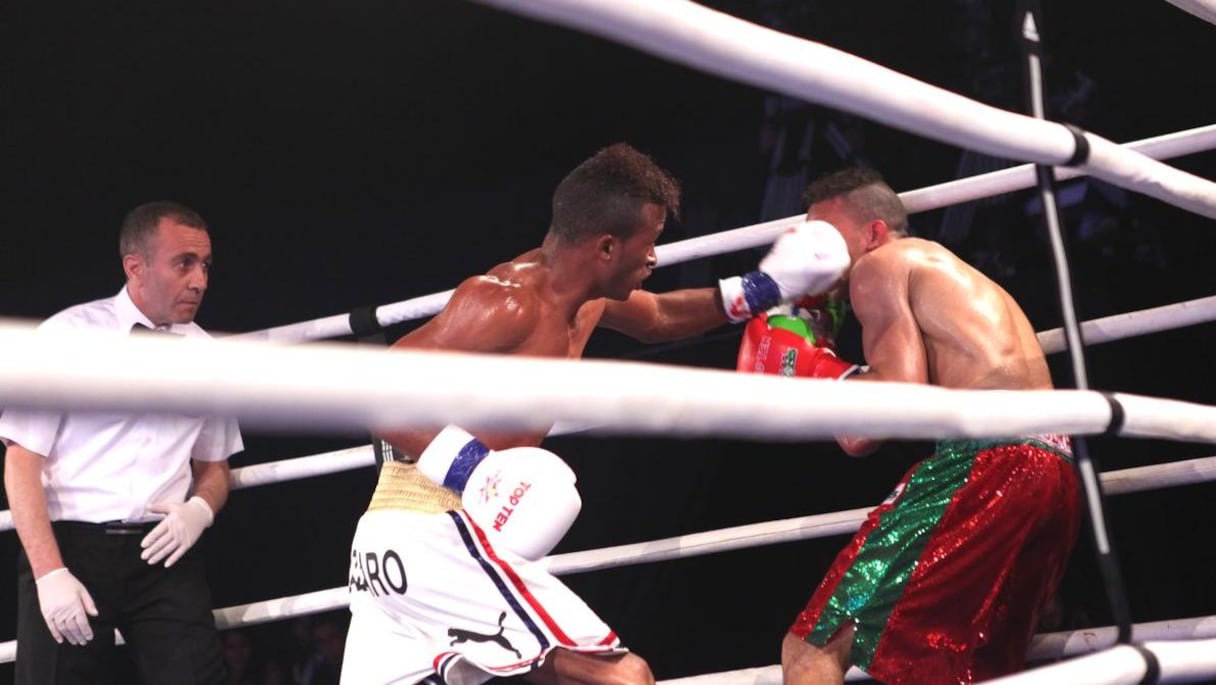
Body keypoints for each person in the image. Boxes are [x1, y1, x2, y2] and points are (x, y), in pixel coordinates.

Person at [341, 142, 850, 685]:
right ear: (607, 246)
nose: (655, 258)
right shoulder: (506, 302)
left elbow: (659, 317)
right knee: (621, 677)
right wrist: (475, 471)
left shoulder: (589, 299)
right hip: (433, 528)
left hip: (389, 553)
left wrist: (764, 290)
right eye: (650, 243)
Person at [738, 168, 1081, 685]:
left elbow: (895, 401)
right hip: (1056, 472)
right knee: (958, 671)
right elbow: (857, 435)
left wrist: (807, 364)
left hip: (989, 465)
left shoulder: (879, 265)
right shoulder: (950, 273)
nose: (816, 255)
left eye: (826, 236)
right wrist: (824, 358)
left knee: (812, 647)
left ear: (873, 232)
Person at [0, 201, 244, 684]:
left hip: (164, 556)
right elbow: (21, 462)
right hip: (71, 546)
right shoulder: (69, 337)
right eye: (184, 264)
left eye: (205, 265)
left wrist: (199, 512)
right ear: (136, 267)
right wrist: (50, 574)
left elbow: (215, 467)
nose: (200, 280)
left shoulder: (207, 356)